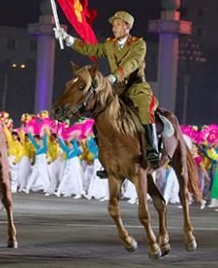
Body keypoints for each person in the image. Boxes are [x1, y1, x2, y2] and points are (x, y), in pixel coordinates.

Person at [54, 10, 160, 171]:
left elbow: (132, 63)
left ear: (127, 27)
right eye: (113, 25)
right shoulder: (110, 45)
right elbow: (90, 49)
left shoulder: (139, 44)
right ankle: (107, 155)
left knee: (146, 109)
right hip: (117, 90)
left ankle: (152, 150)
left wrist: (114, 77)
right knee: (100, 114)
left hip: (136, 88)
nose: (114, 28)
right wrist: (68, 39)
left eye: (118, 24)